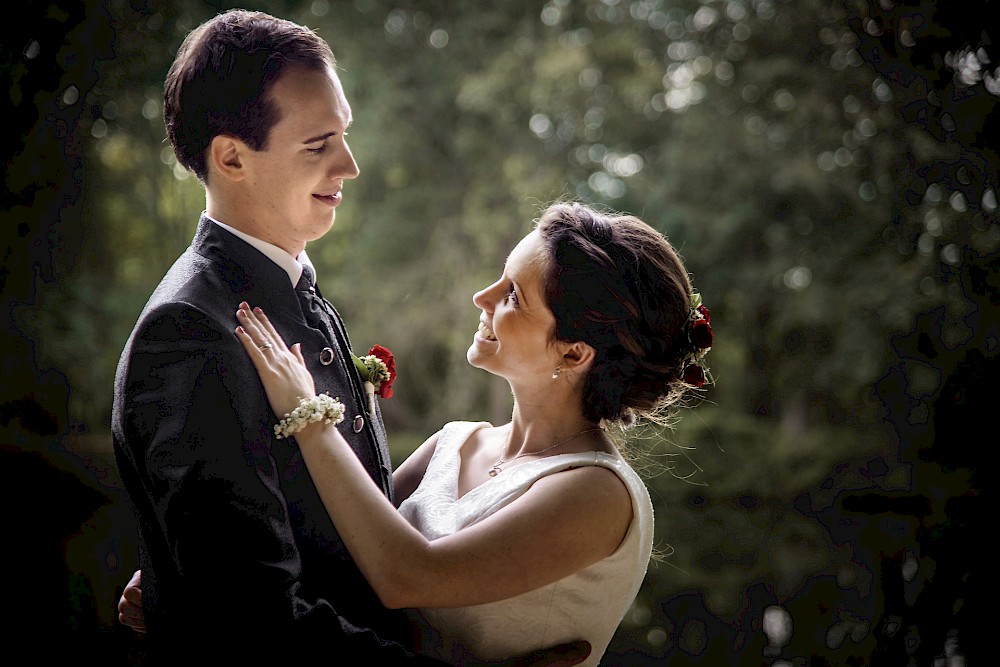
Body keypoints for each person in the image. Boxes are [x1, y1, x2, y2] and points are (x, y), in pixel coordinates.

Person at [111, 9, 589, 665]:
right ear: (231, 158)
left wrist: (182, 571)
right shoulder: (193, 332)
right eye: (318, 144)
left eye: (345, 133)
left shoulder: (282, 288)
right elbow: (256, 625)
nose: (351, 164)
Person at [122, 201, 716, 664]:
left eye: (513, 295)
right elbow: (331, 554)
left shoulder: (595, 494)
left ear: (575, 351)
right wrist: (192, 580)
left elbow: (407, 574)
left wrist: (309, 413)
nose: (481, 298)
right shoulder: (454, 442)